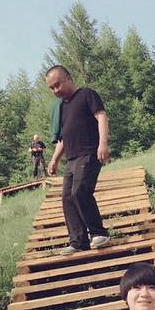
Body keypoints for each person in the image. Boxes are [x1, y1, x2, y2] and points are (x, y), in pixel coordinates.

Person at [46, 64, 111, 255]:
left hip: (89, 152)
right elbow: (64, 138)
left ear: (69, 78)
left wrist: (103, 143)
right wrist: (54, 160)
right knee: (67, 198)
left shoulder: (86, 95)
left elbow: (101, 116)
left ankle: (100, 233)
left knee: (80, 191)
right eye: (51, 88)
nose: (56, 90)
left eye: (58, 85)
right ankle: (78, 241)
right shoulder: (62, 108)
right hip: (72, 159)